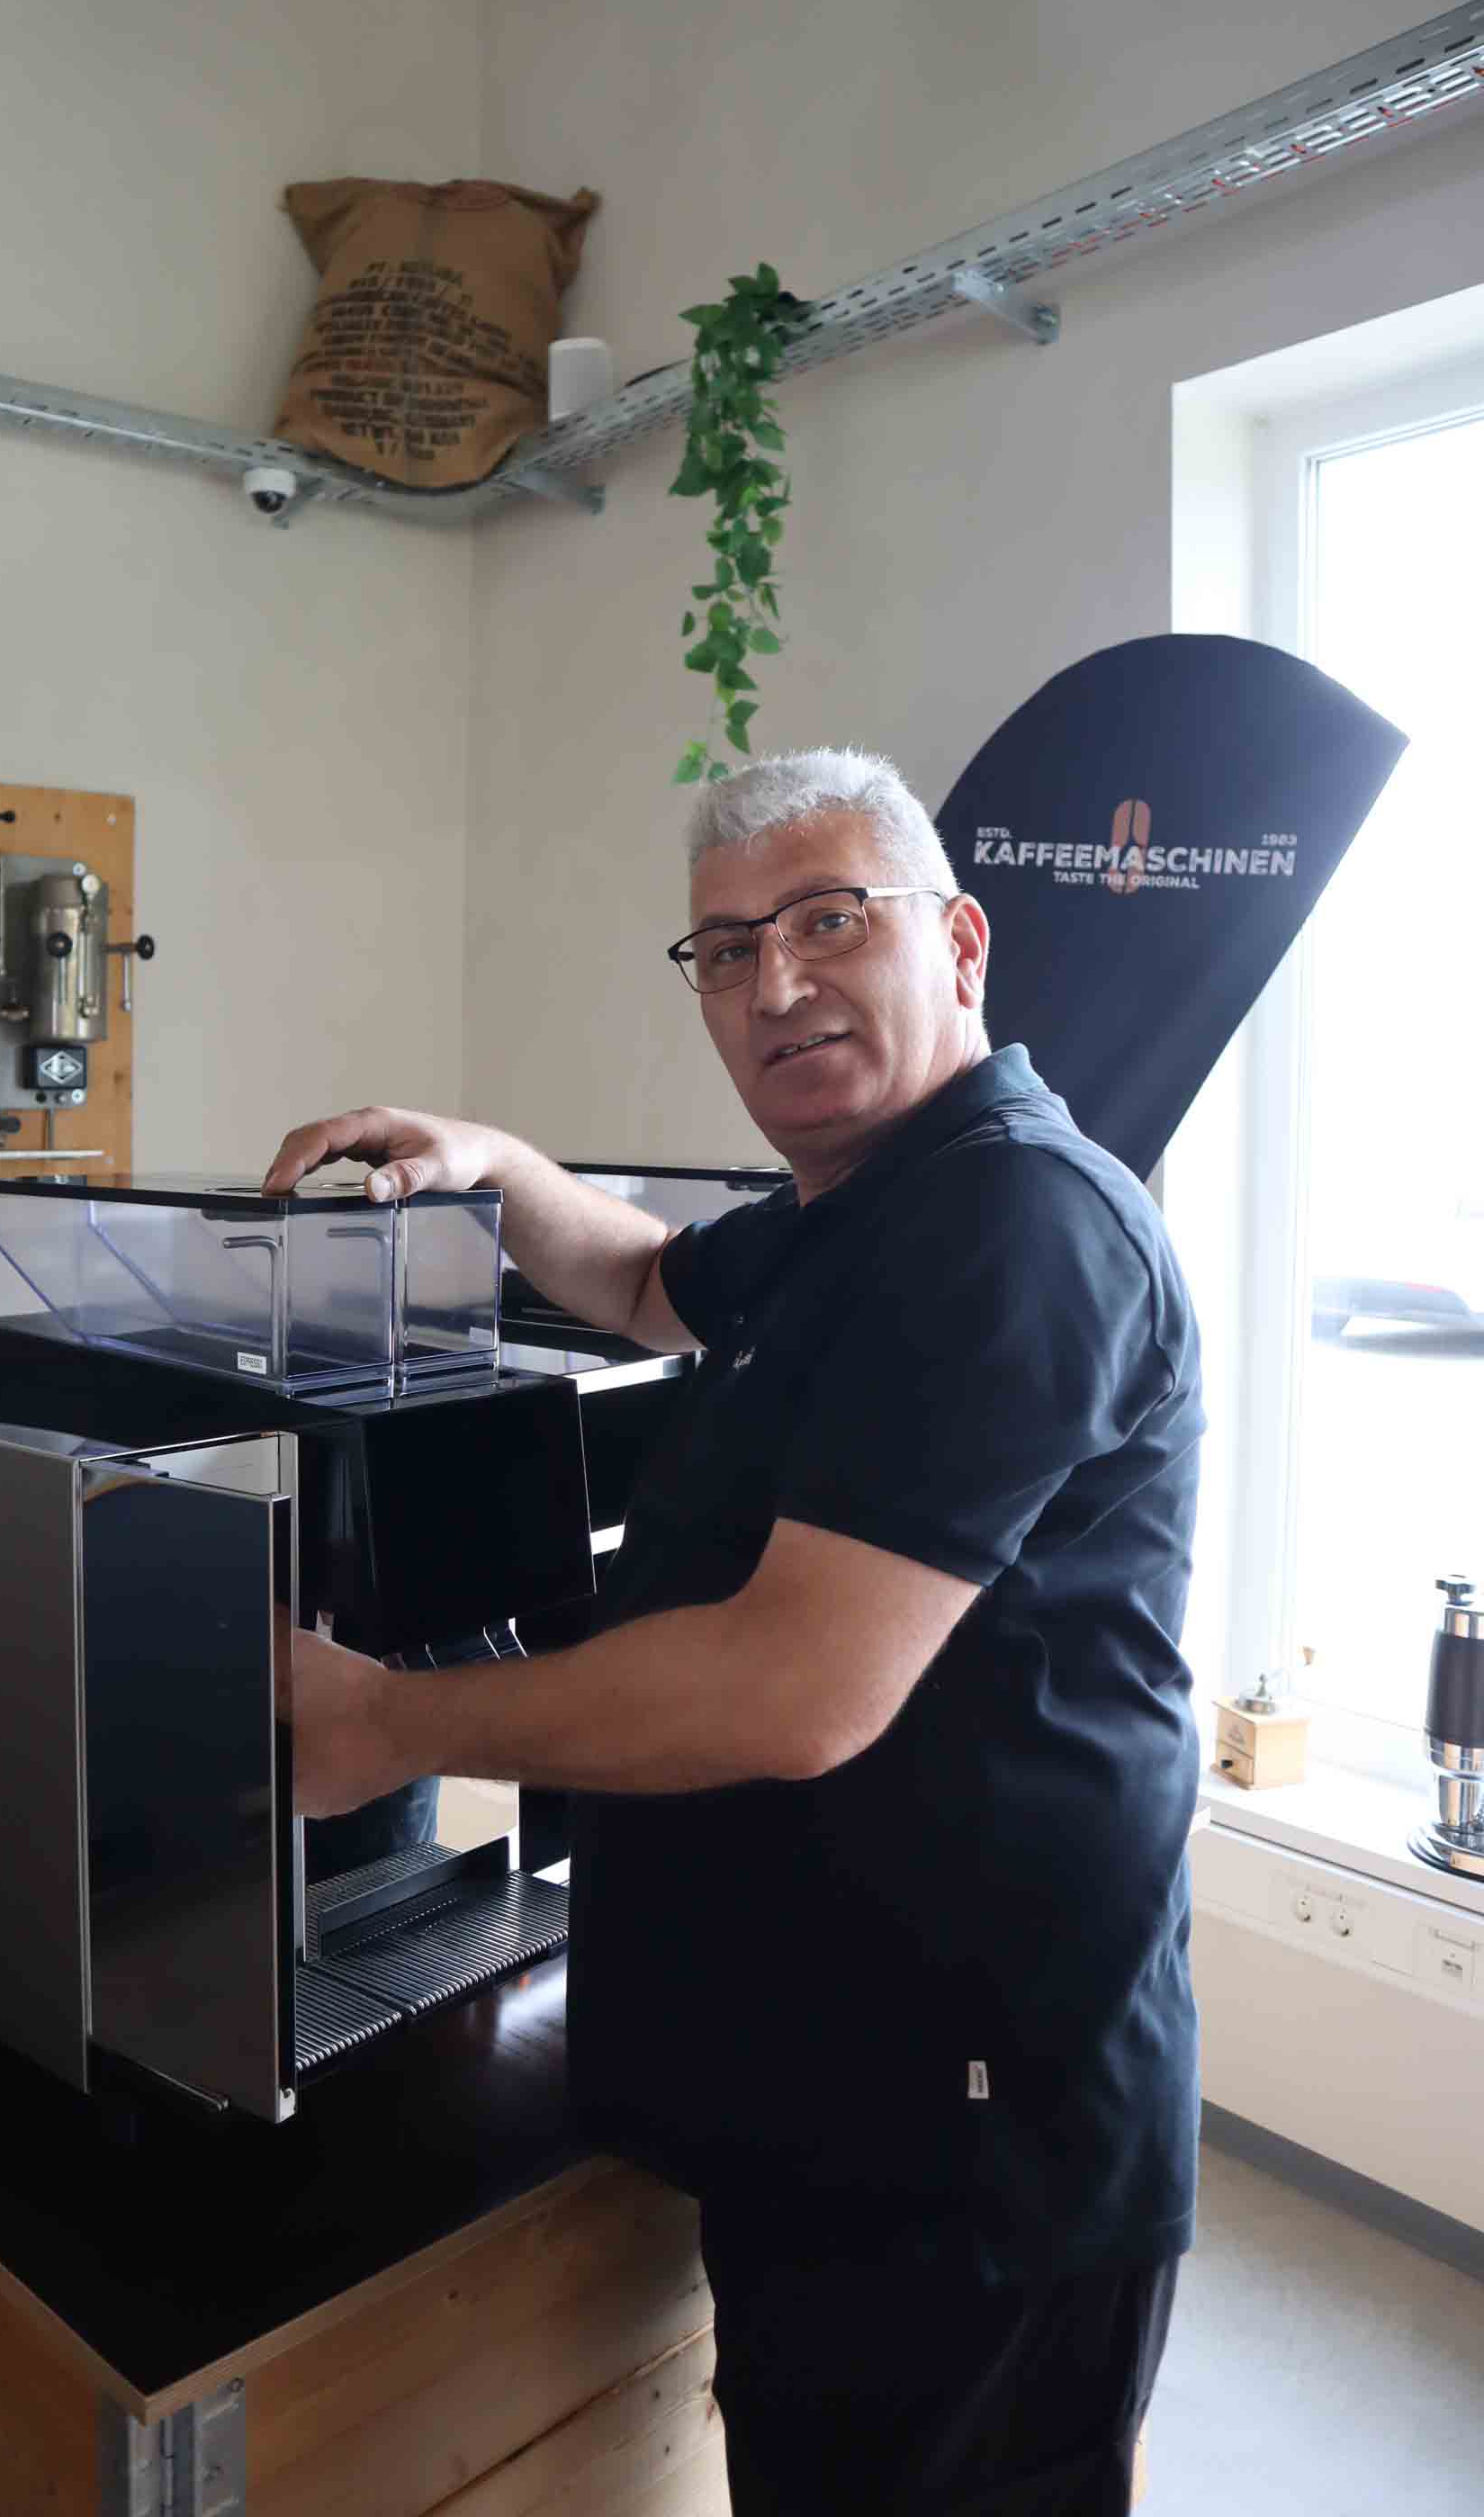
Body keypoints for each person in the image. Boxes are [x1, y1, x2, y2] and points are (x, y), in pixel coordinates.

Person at [263, 747, 1203, 2516]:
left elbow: (790, 1688)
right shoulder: (852, 1215)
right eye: (721, 951)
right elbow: (636, 1282)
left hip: (971, 2143)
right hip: (835, 2103)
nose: (773, 986)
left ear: (960, 943)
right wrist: (494, 1159)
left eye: (826, 923)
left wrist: (382, 1725)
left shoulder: (1013, 1224)